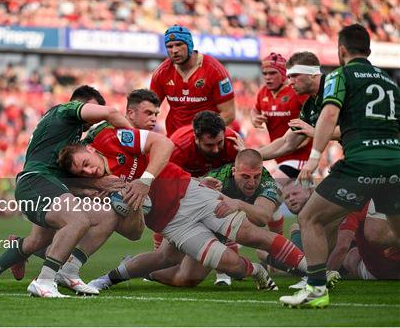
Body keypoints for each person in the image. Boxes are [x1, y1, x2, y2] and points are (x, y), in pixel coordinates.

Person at [61, 133, 309, 292]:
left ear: (89, 149)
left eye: (85, 163)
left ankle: (312, 270)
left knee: (250, 234)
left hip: (190, 194)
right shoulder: (94, 186)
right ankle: (258, 271)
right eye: (81, 172)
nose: (88, 171)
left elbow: (161, 143)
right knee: (228, 265)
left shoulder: (110, 139)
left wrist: (146, 180)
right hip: (171, 222)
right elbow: (131, 230)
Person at [280, 24, 400, 309]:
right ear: (369, 51)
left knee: (310, 218)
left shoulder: (340, 75)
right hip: (395, 162)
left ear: (341, 51)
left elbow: (330, 113)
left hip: (361, 163)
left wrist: (314, 157)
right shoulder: (390, 81)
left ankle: (316, 289)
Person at [0, 85, 136, 298]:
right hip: (35, 182)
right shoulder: (66, 111)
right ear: (83, 105)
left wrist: (89, 189)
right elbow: (111, 113)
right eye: (93, 112)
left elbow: (63, 175)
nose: (95, 119)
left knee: (104, 217)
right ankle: (44, 280)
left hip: (50, 186)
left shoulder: (71, 132)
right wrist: (136, 142)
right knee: (77, 220)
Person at [140, 149, 307, 288]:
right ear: (234, 172)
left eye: (256, 176)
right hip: (198, 224)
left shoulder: (268, 182)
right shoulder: (217, 178)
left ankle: (313, 271)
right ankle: (143, 269)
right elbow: (173, 205)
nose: (252, 182)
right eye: (245, 177)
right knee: (181, 275)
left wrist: (238, 204)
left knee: (253, 237)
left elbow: (262, 217)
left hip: (229, 225)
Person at [151, 111, 243, 285]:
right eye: (209, 145)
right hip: (186, 180)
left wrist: (244, 156)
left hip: (218, 179)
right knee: (165, 211)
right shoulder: (177, 146)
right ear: (196, 138)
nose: (216, 149)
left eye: (219, 143)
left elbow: (245, 174)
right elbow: (166, 181)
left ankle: (223, 273)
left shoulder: (233, 142)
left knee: (224, 214)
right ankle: (157, 264)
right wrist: (199, 182)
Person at [150, 25, 235, 137]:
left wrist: (204, 134)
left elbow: (229, 113)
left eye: (179, 44)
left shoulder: (215, 71)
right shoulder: (161, 73)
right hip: (176, 138)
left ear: (190, 44)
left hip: (206, 140)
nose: (174, 50)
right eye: (169, 46)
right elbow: (150, 108)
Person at [251, 53, 310, 179]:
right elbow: (254, 110)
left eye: (272, 73)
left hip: (300, 159)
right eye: (265, 74)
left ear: (284, 73)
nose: (267, 77)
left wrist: (306, 139)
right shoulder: (263, 92)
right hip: (278, 156)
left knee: (271, 190)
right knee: (297, 197)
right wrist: (254, 118)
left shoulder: (297, 91)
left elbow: (314, 117)